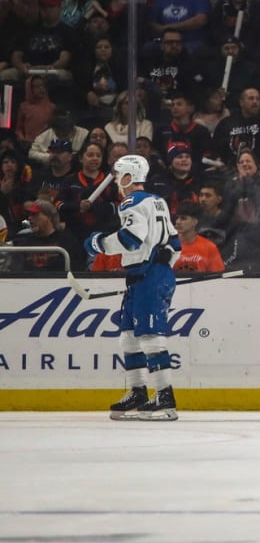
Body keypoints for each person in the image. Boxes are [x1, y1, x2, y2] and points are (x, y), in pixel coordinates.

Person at [83, 155, 182, 421]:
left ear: (128, 177)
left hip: (149, 276)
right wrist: (167, 258)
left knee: (150, 338)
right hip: (144, 275)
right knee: (129, 336)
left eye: (118, 176)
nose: (116, 181)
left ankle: (165, 398)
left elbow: (131, 240)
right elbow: (176, 243)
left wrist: (98, 243)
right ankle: (138, 391)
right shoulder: (158, 201)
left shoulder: (130, 202)